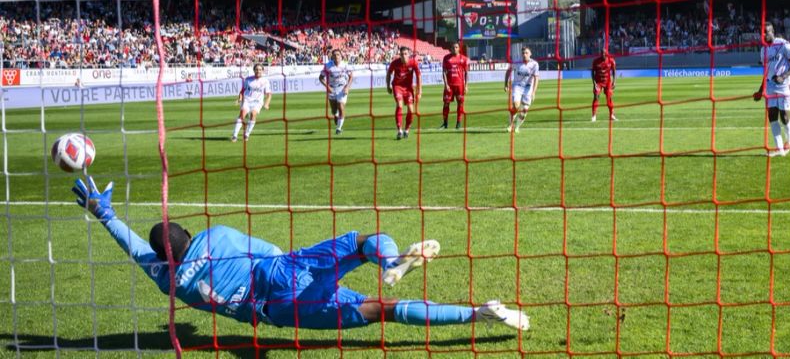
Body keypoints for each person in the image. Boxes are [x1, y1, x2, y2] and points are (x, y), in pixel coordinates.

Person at [72, 177, 529, 331]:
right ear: (188, 231)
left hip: (278, 312)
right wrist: (106, 210)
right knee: (360, 242)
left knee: (380, 312)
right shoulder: (215, 234)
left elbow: (134, 247)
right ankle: (390, 261)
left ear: (164, 257)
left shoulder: (166, 279)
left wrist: (102, 213)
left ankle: (478, 314)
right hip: (280, 271)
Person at [753, 22, 790, 157]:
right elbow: (766, 71)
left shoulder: (784, 44)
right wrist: (761, 90)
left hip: (785, 84)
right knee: (772, 116)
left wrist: (784, 76)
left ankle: (789, 140)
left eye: (766, 32)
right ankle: (779, 148)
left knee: (784, 116)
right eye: (762, 32)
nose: (764, 35)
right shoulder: (763, 50)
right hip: (771, 86)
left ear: (772, 32)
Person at [387, 47, 421, 140]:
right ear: (400, 55)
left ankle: (407, 130)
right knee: (400, 105)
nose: (404, 56)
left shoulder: (413, 63)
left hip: (408, 88)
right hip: (397, 86)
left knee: (411, 110)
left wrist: (419, 91)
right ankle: (399, 130)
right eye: (402, 54)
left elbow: (418, 76)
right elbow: (389, 73)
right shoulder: (395, 63)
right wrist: (388, 86)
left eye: (405, 54)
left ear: (408, 54)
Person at [232, 64, 272, 142]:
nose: (258, 71)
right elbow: (242, 90)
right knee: (242, 114)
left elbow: (269, 94)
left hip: (257, 102)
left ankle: (246, 134)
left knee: (253, 114)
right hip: (247, 100)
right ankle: (235, 135)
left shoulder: (265, 81)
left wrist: (267, 103)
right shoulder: (248, 79)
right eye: (256, 69)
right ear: (254, 70)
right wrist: (239, 99)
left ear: (262, 71)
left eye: (260, 70)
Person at [505, 47, 539, 134]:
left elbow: (536, 78)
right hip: (517, 86)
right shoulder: (517, 62)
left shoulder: (535, 64)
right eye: (523, 53)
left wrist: (534, 92)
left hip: (528, 88)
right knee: (516, 106)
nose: (524, 55)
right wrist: (505, 84)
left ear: (530, 54)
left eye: (526, 53)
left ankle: (517, 127)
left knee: (525, 110)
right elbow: (508, 71)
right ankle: (510, 125)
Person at [319, 49, 354, 134]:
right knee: (334, 110)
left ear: (341, 56)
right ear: (332, 57)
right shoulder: (328, 66)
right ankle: (336, 114)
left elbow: (351, 76)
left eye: (338, 54)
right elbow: (321, 78)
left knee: (341, 106)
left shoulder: (345, 65)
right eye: (334, 55)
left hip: (342, 88)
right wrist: (327, 87)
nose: (336, 56)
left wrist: (347, 87)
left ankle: (338, 129)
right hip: (331, 89)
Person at [440, 41, 469, 130]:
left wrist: (466, 85)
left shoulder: (463, 58)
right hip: (449, 85)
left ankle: (458, 123)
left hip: (460, 85)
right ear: (451, 48)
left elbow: (466, 73)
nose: (455, 49)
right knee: (446, 103)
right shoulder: (446, 58)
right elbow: (444, 72)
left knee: (460, 104)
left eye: (456, 47)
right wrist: (446, 84)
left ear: (459, 48)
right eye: (453, 47)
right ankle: (445, 123)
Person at [591, 48, 617, 122]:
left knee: (609, 98)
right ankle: (594, 115)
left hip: (608, 82)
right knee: (596, 97)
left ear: (607, 53)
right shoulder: (595, 61)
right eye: (602, 53)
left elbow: (614, 72)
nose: (603, 54)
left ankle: (612, 115)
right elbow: (592, 72)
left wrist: (614, 81)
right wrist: (594, 83)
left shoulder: (611, 61)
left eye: (604, 53)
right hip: (598, 82)